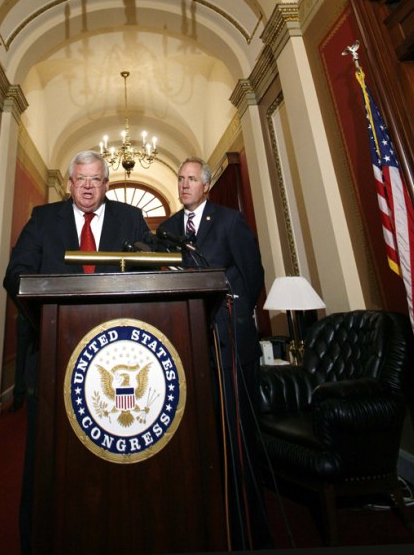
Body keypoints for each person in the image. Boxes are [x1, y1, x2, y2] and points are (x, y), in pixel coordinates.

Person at [3, 150, 149, 555]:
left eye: (96, 179)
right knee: (47, 466)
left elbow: (152, 275)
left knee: (109, 458)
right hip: (52, 353)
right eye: (80, 179)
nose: (87, 186)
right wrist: (46, 307)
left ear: (106, 183)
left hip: (116, 361)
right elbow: (15, 275)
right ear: (69, 183)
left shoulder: (130, 221)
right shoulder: (43, 218)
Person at [157, 156, 272, 551]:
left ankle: (247, 526)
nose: (185, 185)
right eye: (180, 179)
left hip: (229, 344)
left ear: (206, 186)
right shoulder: (169, 228)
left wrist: (235, 316)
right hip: (187, 344)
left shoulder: (228, 221)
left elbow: (252, 274)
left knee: (237, 437)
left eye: (191, 179)